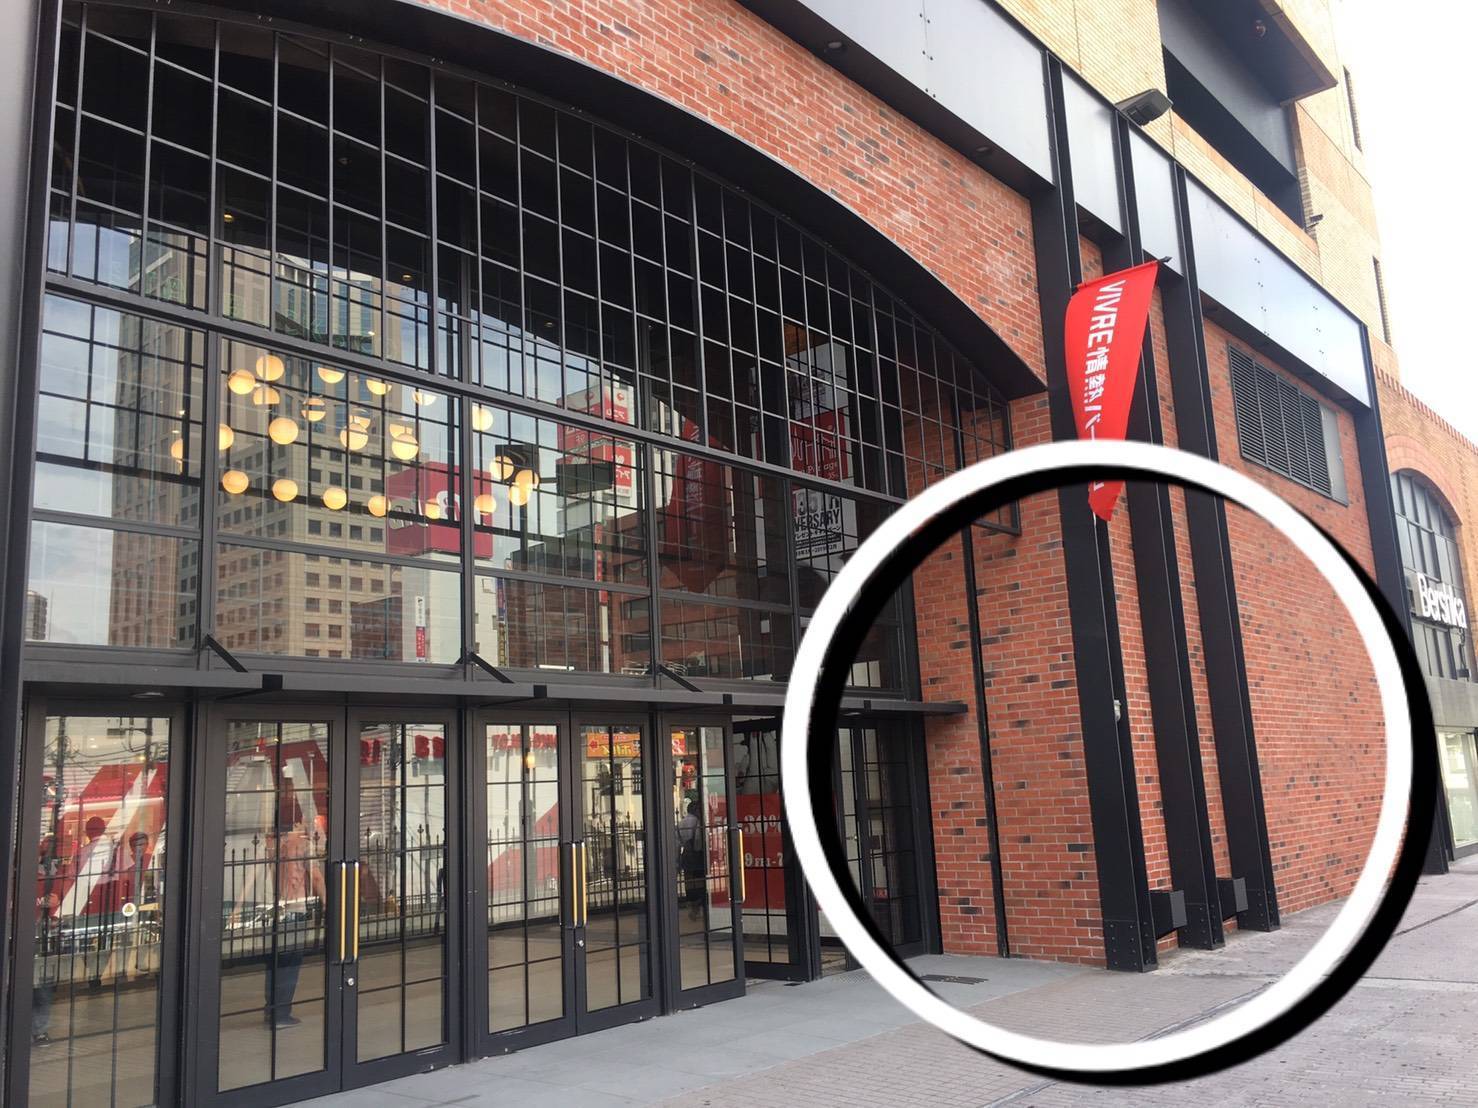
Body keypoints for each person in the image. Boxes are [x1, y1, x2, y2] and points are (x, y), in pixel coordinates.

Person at [265, 799, 326, 1030]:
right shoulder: (301, 845)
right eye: (302, 820)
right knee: (290, 965)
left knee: (275, 963)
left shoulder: (273, 845)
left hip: (276, 909)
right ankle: (282, 1013)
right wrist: (328, 901)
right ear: (296, 821)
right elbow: (316, 877)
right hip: (295, 908)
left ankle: (271, 1009)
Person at [678, 800, 705, 918]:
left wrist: (677, 862)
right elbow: (698, 841)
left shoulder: (680, 823)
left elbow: (677, 843)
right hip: (697, 856)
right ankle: (697, 908)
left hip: (686, 856)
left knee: (689, 883)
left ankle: (693, 907)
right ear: (695, 810)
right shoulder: (697, 822)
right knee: (699, 882)